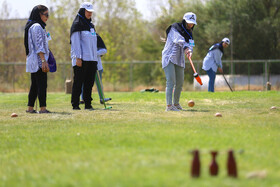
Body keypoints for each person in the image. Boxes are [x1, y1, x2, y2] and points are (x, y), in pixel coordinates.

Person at [162, 12, 197, 111]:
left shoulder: (190, 34)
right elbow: (179, 40)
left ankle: (176, 104)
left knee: (180, 82)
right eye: (189, 22)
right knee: (171, 82)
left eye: (193, 23)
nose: (191, 25)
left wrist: (190, 51)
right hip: (169, 57)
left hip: (179, 59)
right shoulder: (174, 28)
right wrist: (186, 47)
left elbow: (191, 45)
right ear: (185, 21)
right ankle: (169, 106)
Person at [70, 2, 98, 110]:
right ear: (82, 11)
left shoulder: (91, 26)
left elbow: (94, 43)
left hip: (92, 59)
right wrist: (78, 57)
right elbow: (75, 43)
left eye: (91, 12)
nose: (90, 13)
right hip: (81, 59)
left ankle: (88, 104)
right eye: (88, 11)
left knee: (89, 83)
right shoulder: (77, 25)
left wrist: (95, 58)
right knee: (78, 82)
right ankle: (75, 104)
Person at [24, 5, 51, 114]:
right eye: (46, 14)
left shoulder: (32, 26)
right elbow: (38, 45)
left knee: (35, 84)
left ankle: (30, 108)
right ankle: (43, 108)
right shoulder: (37, 27)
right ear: (39, 14)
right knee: (42, 84)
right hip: (39, 60)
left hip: (34, 59)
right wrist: (43, 61)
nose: (47, 17)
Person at [80, 34, 112, 104]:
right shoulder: (82, 37)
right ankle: (83, 99)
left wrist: (94, 53)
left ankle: (102, 98)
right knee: (83, 82)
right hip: (85, 65)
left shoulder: (96, 37)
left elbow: (104, 50)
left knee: (99, 84)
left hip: (97, 66)